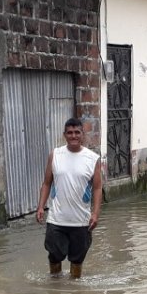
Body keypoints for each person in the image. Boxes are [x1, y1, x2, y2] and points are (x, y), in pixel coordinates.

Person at [35, 117, 102, 279]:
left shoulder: (92, 159)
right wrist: (40, 207)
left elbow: (97, 188)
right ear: (64, 135)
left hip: (81, 221)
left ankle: (75, 289)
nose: (73, 136)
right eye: (70, 133)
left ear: (83, 134)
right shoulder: (55, 155)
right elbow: (47, 183)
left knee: (77, 259)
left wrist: (95, 214)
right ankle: (54, 287)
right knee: (54, 255)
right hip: (56, 219)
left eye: (77, 132)